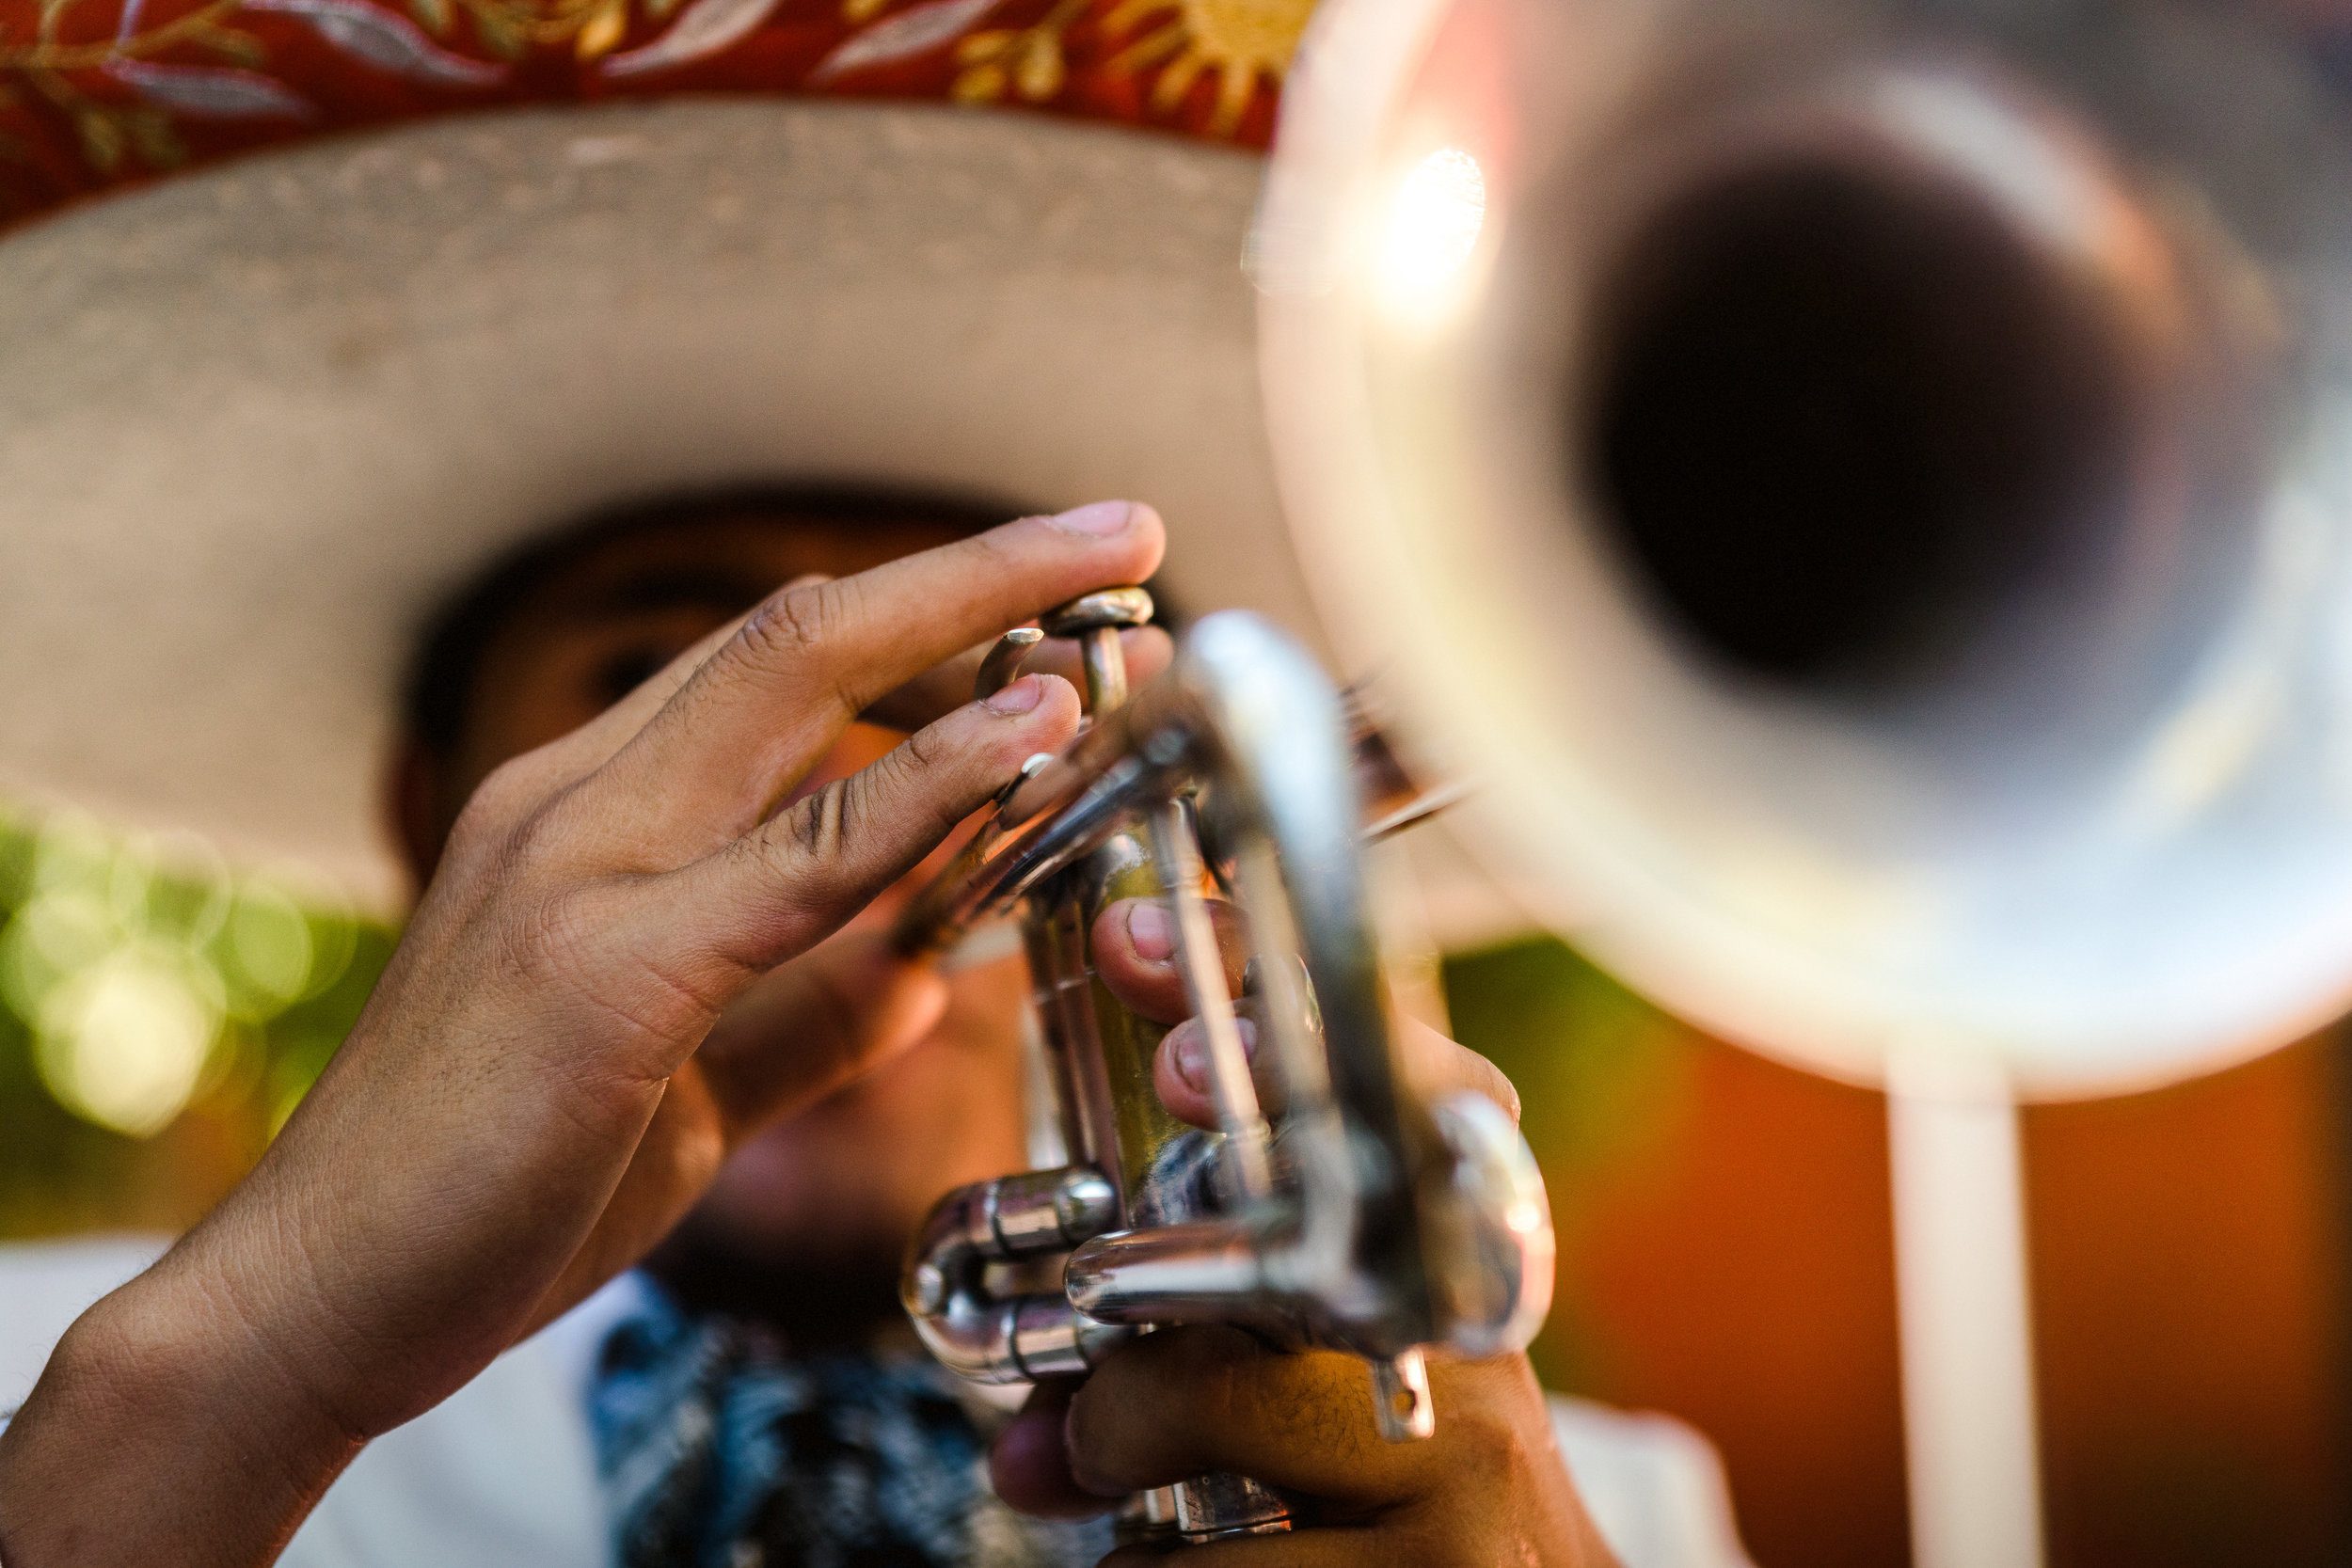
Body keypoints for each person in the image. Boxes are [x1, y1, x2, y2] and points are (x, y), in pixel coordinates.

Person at [0, 485, 1753, 1568]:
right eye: (664, 687)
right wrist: (245, 1380)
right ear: (431, 816)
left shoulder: (1608, 1516)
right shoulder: (55, 1385)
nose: (870, 798)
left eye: (996, 700)